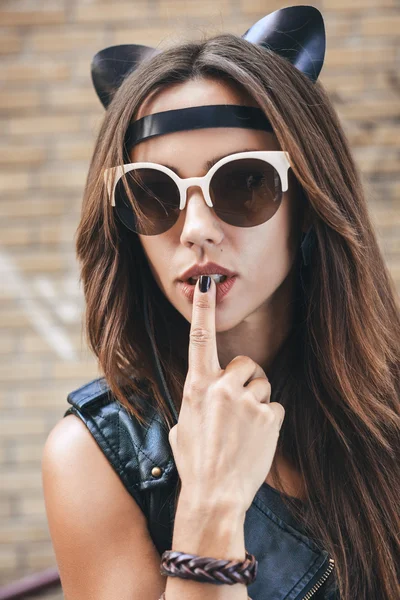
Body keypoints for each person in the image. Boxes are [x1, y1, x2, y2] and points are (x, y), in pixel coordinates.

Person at [41, 6, 400, 600]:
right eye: (154, 194)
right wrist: (209, 507)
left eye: (244, 182)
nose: (196, 229)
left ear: (308, 202)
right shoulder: (95, 457)